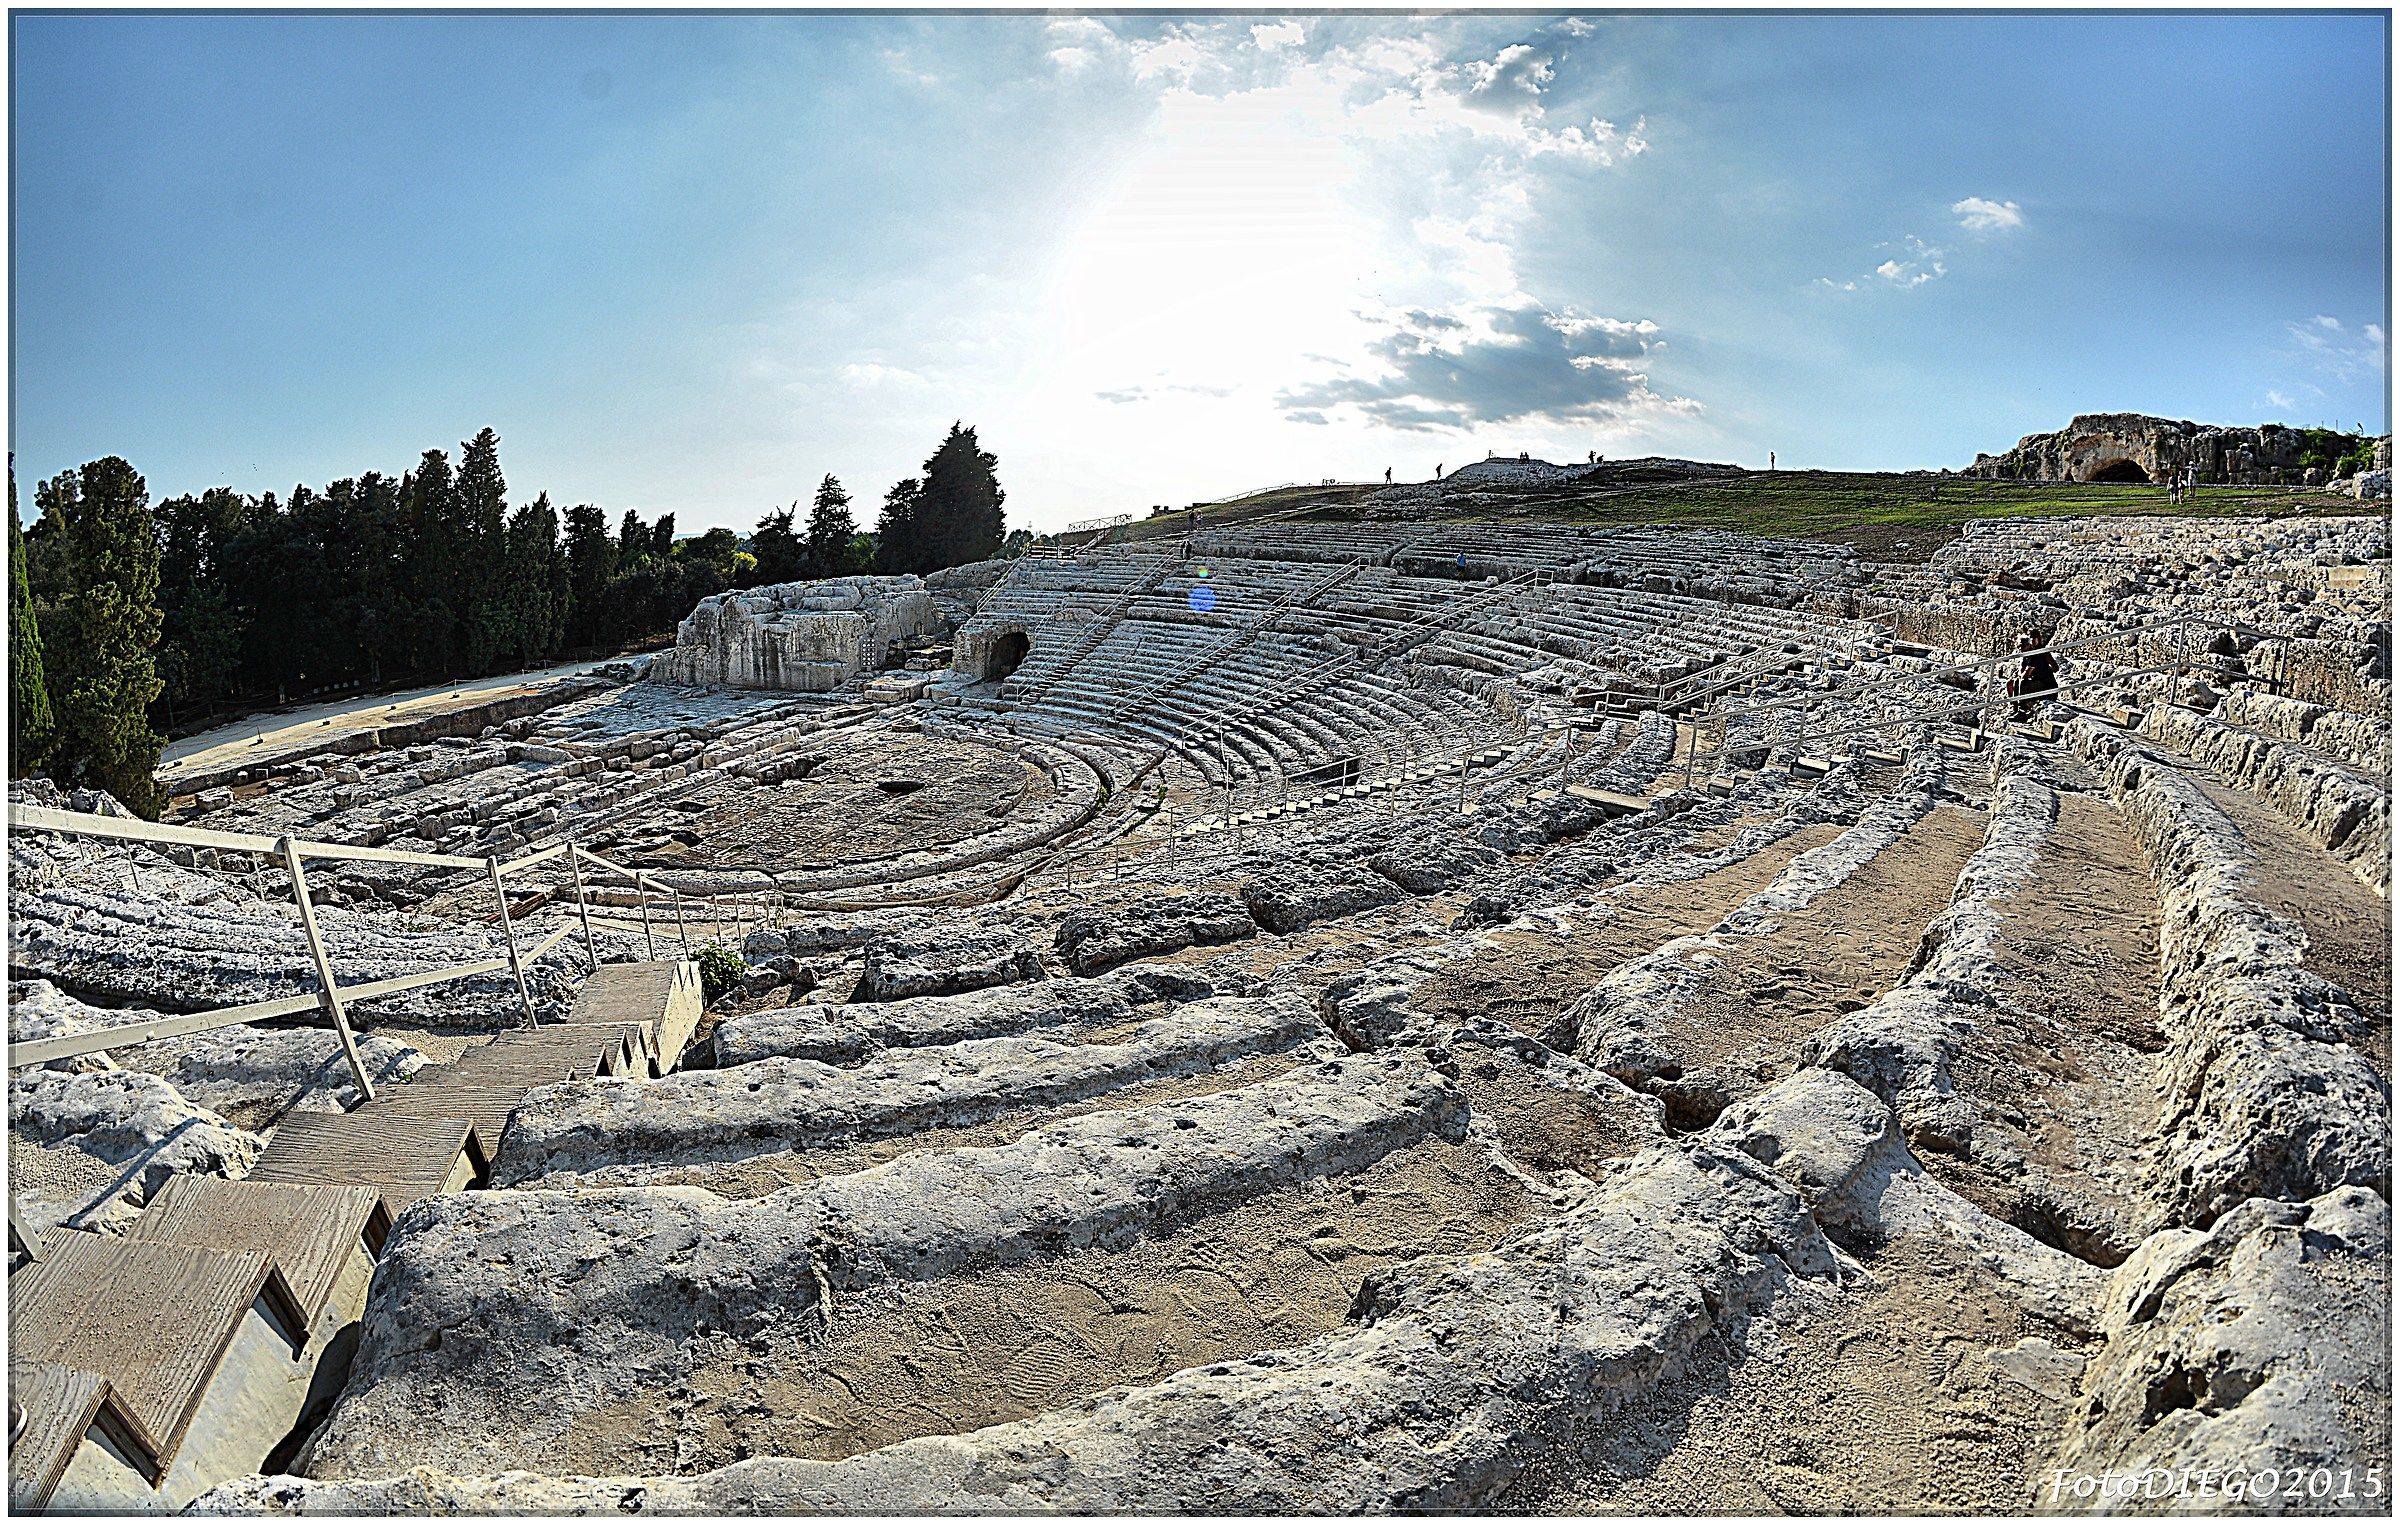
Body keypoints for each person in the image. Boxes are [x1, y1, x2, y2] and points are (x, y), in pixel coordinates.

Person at [2010, 633, 2059, 717]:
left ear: (2029, 645)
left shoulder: (2035, 655)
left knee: (2022, 683)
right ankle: (2015, 708)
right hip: (2038, 682)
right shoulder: (2026, 656)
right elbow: (2021, 672)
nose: (2021, 648)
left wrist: (2043, 672)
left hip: (2048, 686)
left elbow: (2025, 675)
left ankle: (2022, 710)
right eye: (2019, 646)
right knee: (2012, 682)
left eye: (2023, 646)